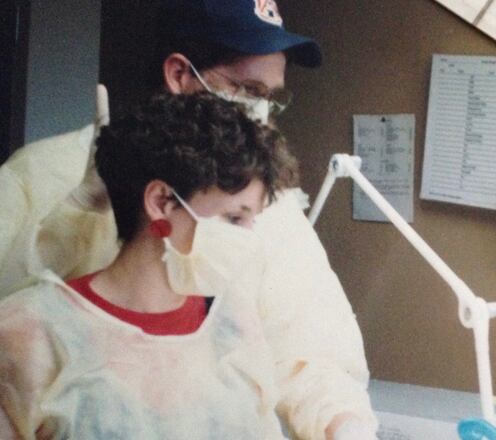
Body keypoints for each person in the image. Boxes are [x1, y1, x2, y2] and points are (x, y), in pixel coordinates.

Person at [0, 1, 378, 439]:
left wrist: (343, 423)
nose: (261, 112)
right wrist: (73, 216)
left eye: (271, 98)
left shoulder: (269, 210)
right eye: (248, 90)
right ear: (180, 74)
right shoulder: (43, 173)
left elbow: (312, 348)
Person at [0, 92, 295, 439]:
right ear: (161, 202)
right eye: (233, 218)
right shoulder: (31, 335)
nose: (248, 239)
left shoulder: (235, 328)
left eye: (251, 220)